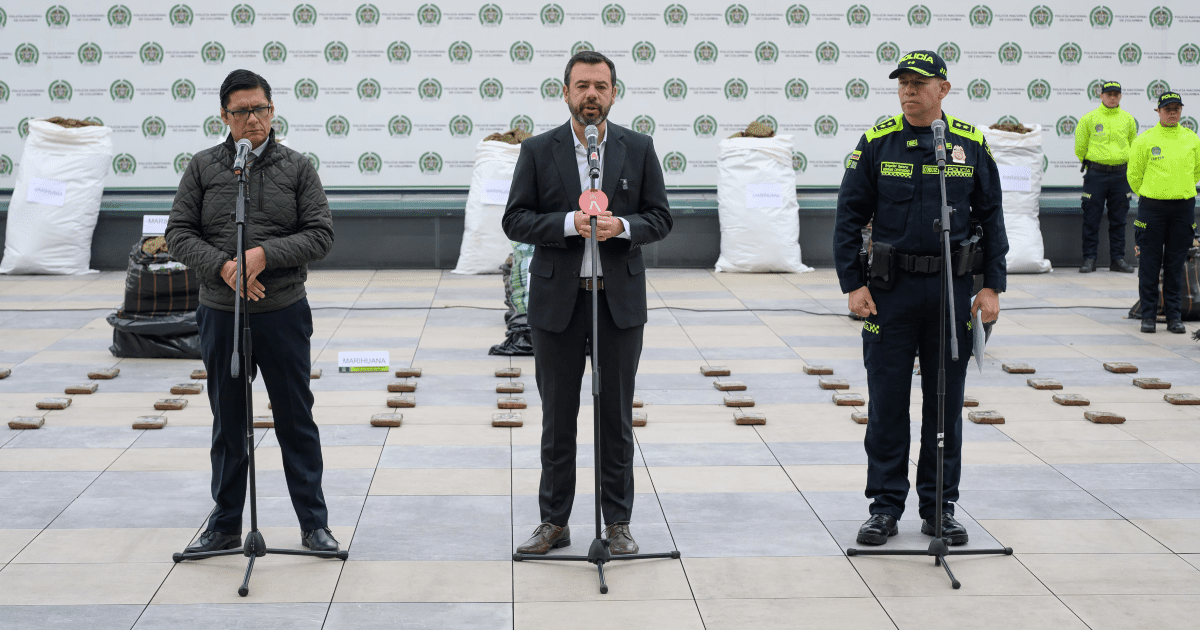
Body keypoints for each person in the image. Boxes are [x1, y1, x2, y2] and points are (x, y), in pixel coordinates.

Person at [833, 51, 1009, 546]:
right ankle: (884, 508)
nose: (908, 91)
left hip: (951, 291)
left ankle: (939, 507)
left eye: (919, 83)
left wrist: (991, 285)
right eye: (903, 84)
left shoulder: (969, 144)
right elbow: (848, 216)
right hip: (890, 293)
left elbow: (992, 217)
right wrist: (853, 284)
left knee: (944, 404)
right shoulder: (878, 141)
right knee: (888, 404)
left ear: (943, 89)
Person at [503, 51, 673, 555]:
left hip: (617, 305)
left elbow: (660, 217)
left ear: (614, 93)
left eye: (600, 86)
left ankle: (617, 523)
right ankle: (554, 522)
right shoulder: (538, 150)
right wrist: (564, 224)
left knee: (616, 418)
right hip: (558, 304)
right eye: (582, 86)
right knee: (558, 418)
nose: (591, 95)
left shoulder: (638, 148)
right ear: (566, 93)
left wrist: (623, 226)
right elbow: (515, 219)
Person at [166, 69, 338, 553]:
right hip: (221, 313)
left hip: (282, 311)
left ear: (273, 110)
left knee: (295, 419)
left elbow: (321, 234)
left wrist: (264, 255)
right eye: (241, 111)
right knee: (228, 423)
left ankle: (314, 524)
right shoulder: (203, 167)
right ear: (224, 117)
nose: (253, 119)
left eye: (260, 108)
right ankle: (223, 526)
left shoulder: (298, 167)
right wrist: (222, 267)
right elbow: (178, 232)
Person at [1127, 91, 1200, 334]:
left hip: (1183, 208)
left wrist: (1178, 189)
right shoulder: (1145, 140)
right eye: (1167, 109)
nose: (1172, 112)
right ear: (1158, 111)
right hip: (1152, 209)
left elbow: (1196, 171)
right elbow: (1134, 175)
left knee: (1176, 265)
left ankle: (1174, 317)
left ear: (1181, 111)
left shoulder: (1191, 138)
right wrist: (1152, 193)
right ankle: (1148, 316)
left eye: (1176, 108)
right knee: (1149, 263)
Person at [1075, 81, 1138, 273]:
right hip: (1096, 174)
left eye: (1115, 94)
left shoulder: (1128, 119)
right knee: (1091, 218)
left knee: (1119, 220)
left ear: (1120, 97)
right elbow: (1080, 147)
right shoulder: (1089, 118)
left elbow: (1133, 146)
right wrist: (1095, 163)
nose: (1112, 97)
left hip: (1121, 175)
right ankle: (1089, 259)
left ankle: (1117, 260)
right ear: (1101, 96)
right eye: (1108, 94)